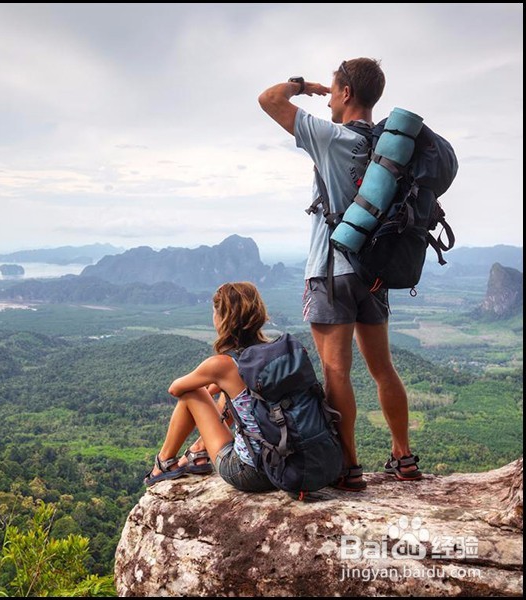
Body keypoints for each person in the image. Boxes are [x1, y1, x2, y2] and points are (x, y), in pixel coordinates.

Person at [257, 58, 422, 491]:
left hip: (331, 271)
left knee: (336, 372)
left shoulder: (331, 137)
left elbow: (268, 99)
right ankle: (403, 456)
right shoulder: (389, 147)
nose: (327, 98)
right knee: (383, 369)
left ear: (347, 94)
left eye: (332, 91)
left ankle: (349, 467)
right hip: (375, 273)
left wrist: (303, 85)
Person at [143, 282, 277, 492]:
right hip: (287, 464)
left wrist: (209, 389)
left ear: (223, 318)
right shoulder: (273, 352)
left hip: (252, 473)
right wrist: (219, 386)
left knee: (192, 392)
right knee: (231, 394)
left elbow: (176, 389)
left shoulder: (222, 365)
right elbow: (231, 386)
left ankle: (163, 462)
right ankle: (198, 449)